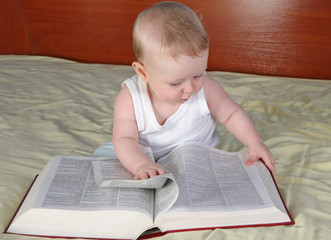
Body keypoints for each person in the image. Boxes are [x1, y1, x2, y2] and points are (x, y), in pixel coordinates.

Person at [94, 1, 275, 179]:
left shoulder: (208, 89)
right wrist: (140, 164)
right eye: (175, 83)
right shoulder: (130, 98)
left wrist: (254, 142)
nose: (190, 89)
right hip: (144, 154)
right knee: (105, 157)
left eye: (198, 75)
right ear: (143, 72)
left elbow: (231, 114)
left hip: (194, 155)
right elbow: (125, 139)